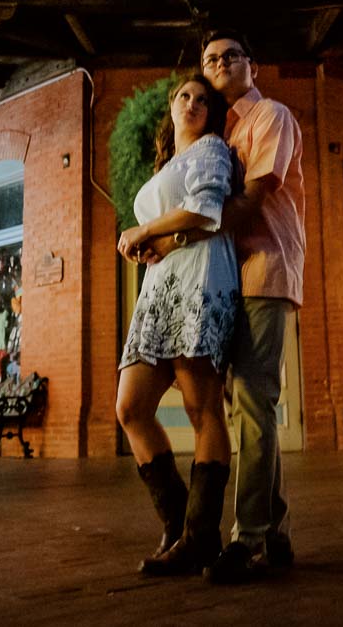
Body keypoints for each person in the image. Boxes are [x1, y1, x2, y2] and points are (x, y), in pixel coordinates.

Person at [151, 30, 306, 584]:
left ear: (252, 65)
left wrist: (172, 239)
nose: (218, 65)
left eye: (230, 56)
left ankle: (249, 539)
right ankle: (277, 531)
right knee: (250, 405)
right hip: (226, 279)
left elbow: (253, 198)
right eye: (209, 59)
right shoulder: (219, 132)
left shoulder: (270, 117)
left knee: (252, 399)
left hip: (265, 270)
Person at [116, 74, 242, 576]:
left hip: (200, 282)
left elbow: (206, 208)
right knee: (130, 407)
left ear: (212, 113)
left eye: (202, 99)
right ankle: (178, 522)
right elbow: (178, 220)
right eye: (184, 97)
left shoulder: (211, 149)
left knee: (201, 406)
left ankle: (199, 537)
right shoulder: (168, 164)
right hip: (158, 290)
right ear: (171, 109)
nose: (192, 103)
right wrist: (147, 245)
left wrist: (145, 230)